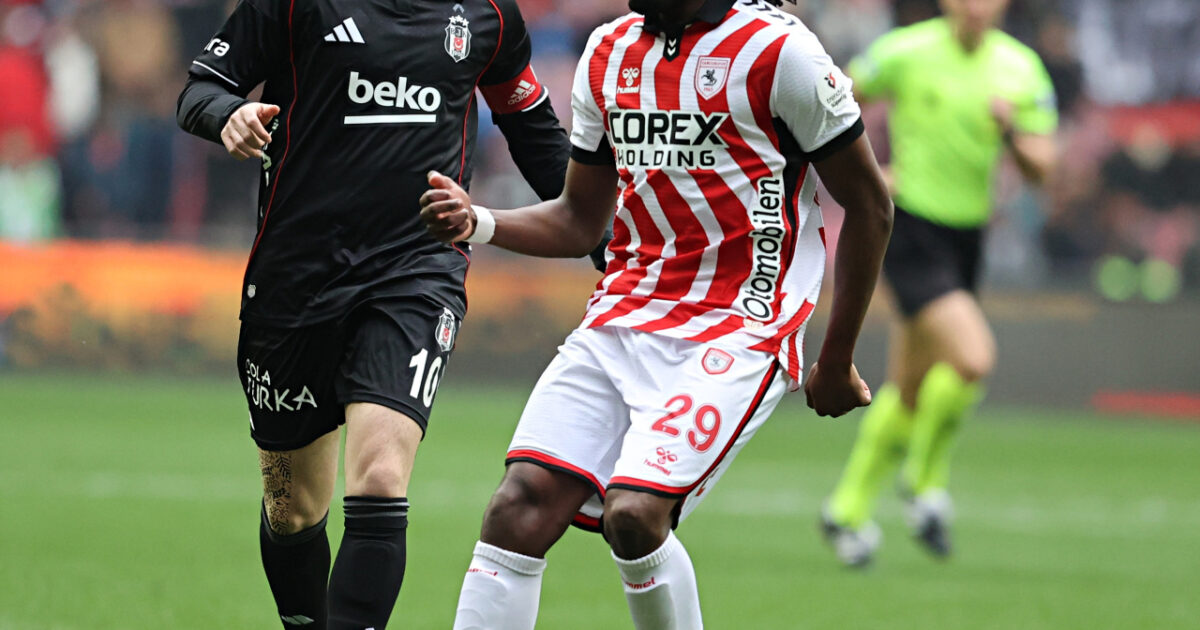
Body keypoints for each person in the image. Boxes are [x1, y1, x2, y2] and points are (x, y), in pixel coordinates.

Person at [420, 0, 893, 626]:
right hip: (622, 314)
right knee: (518, 507)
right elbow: (580, 219)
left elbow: (870, 205)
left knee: (635, 515)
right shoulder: (607, 52)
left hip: (738, 324)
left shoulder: (780, 52)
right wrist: (478, 221)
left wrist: (834, 360)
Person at [175, 1, 604, 627]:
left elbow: (535, 133)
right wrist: (229, 116)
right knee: (293, 508)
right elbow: (200, 90)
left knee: (380, 475)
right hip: (295, 278)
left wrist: (613, 241)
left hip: (417, 272)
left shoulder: (487, 15)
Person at [820, 0, 1058, 566]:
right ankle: (925, 485)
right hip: (912, 229)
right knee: (972, 359)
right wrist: (868, 175)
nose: (976, 6)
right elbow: (832, 102)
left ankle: (845, 510)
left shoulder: (1021, 68)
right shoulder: (906, 51)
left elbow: (1042, 166)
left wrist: (1010, 131)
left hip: (967, 238)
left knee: (910, 386)